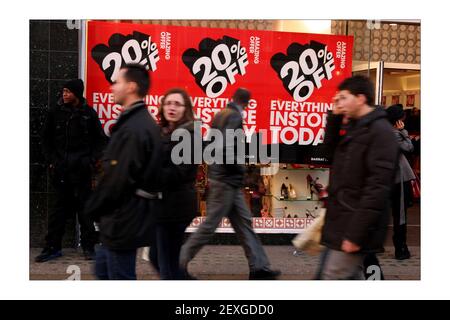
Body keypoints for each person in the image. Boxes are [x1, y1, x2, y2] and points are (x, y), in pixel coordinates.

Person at [179, 88, 281, 280]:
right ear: (247, 104)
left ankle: (260, 268)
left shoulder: (220, 115)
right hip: (226, 181)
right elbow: (226, 149)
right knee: (210, 226)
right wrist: (241, 169)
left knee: (244, 224)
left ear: (233, 99)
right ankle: (178, 262)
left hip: (226, 181)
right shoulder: (234, 116)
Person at [316, 75, 398, 280]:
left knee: (331, 277)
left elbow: (376, 189)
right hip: (340, 221)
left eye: (343, 98)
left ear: (360, 98)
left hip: (353, 226)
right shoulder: (355, 126)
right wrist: (334, 118)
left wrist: (354, 235)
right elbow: (327, 155)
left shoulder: (381, 132)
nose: (339, 103)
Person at [85, 64, 162, 280]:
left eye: (116, 82)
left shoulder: (134, 128)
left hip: (123, 219)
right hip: (119, 219)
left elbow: (118, 179)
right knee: (104, 269)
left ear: (131, 87)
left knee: (119, 277)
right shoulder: (135, 123)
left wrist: (92, 208)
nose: (111, 87)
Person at [35, 79, 107, 263]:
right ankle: (52, 248)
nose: (64, 94)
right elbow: (45, 139)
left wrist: (90, 161)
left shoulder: (88, 114)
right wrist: (52, 161)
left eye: (68, 91)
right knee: (58, 212)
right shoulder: (55, 112)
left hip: (82, 171)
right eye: (63, 91)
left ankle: (89, 247)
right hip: (61, 171)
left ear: (77, 93)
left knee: (85, 211)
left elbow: (100, 141)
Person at [149, 88, 200, 280]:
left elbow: (179, 172)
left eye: (177, 104)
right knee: (160, 258)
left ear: (185, 109)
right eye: (168, 103)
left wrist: (149, 174)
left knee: (165, 263)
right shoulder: (165, 131)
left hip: (175, 207)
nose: (172, 107)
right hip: (163, 205)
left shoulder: (189, 135)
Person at [386, 104, 415, 260]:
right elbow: (409, 148)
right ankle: (401, 248)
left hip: (388, 178)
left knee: (386, 213)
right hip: (399, 178)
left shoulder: (383, 132)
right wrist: (403, 131)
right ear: (398, 121)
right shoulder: (395, 133)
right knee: (400, 215)